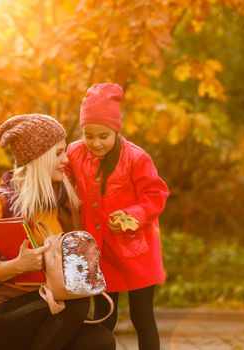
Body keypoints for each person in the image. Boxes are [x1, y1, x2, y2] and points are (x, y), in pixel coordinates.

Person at [0, 114, 116, 350]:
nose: (66, 159)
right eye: (58, 153)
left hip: (45, 314)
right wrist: (20, 264)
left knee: (100, 341)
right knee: (73, 304)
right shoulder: (2, 205)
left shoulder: (64, 203)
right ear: (39, 159)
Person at [66, 84, 169, 350]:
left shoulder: (135, 158)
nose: (96, 143)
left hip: (136, 250)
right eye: (89, 135)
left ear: (116, 131)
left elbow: (155, 193)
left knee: (142, 316)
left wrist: (134, 213)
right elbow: (62, 184)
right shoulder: (75, 153)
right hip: (100, 252)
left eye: (104, 136)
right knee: (104, 315)